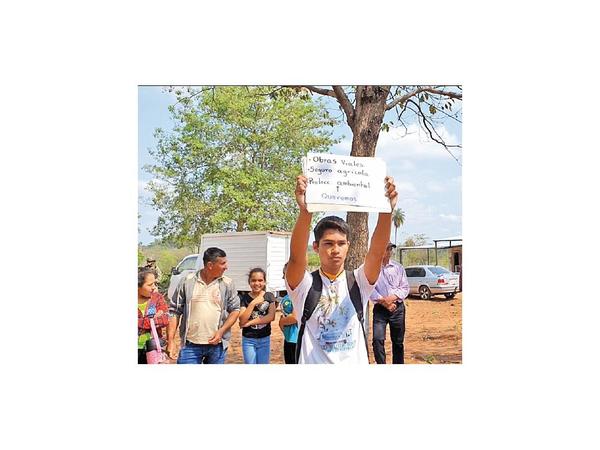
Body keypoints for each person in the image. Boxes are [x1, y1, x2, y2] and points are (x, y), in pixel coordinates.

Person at [285, 174, 398, 364]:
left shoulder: (359, 281)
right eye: (328, 243)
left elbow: (376, 253)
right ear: (315, 247)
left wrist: (386, 211)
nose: (335, 250)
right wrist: (305, 211)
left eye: (341, 243)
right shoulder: (304, 285)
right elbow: (296, 259)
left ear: (348, 246)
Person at [166, 247, 240, 364]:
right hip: (190, 346)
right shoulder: (187, 281)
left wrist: (221, 331)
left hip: (217, 345)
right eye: (223, 263)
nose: (226, 267)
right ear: (210, 265)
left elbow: (235, 310)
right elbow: (174, 311)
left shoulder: (227, 283)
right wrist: (170, 341)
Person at [370, 242, 410, 364]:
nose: (387, 252)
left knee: (398, 342)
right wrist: (385, 303)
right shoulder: (372, 269)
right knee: (377, 340)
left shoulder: (398, 268)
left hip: (397, 309)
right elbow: (370, 289)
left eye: (390, 249)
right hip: (380, 309)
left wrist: (391, 298)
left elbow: (405, 288)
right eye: (385, 249)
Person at [238, 268, 276, 364]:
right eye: (253, 280)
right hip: (248, 340)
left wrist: (249, 323)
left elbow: (271, 317)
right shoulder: (244, 298)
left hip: (265, 339)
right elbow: (242, 320)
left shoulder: (269, 296)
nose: (257, 283)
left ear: (265, 282)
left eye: (260, 280)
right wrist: (252, 304)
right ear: (249, 282)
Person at [138, 268, 169, 364]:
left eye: (155, 284)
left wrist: (140, 322)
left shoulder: (157, 298)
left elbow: (165, 319)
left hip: (153, 348)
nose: (154, 287)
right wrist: (152, 319)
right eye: (150, 285)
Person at [278, 263, 298, 364]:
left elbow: (295, 317)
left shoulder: (299, 293)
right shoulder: (288, 295)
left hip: (297, 340)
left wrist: (281, 322)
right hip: (289, 338)